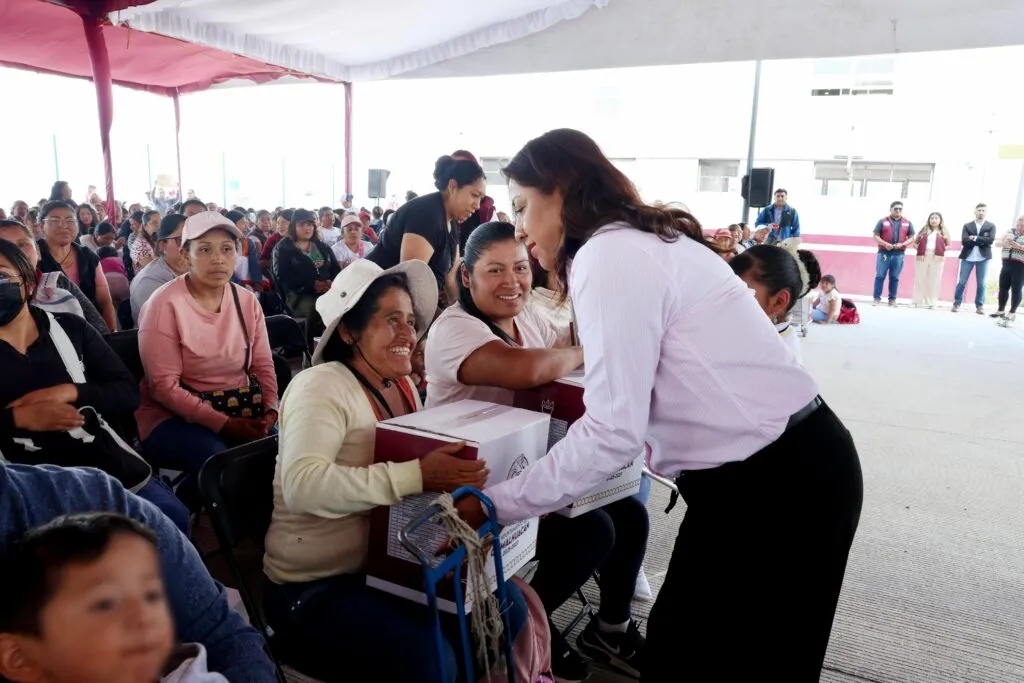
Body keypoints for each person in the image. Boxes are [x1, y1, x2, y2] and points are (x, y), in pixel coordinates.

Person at [456, 129, 863, 682]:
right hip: (784, 469)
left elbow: (611, 432)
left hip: (778, 484)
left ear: (561, 189)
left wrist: (496, 504)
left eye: (524, 207)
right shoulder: (634, 242)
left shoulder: (610, 253)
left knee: (712, 657)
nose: (521, 228)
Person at [262, 258, 525, 683]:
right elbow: (302, 487)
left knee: (507, 605)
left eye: (410, 320)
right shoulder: (321, 385)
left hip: (388, 566)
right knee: (435, 661)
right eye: (391, 320)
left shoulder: (399, 384)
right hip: (313, 586)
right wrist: (420, 476)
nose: (408, 333)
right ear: (349, 332)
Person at [425, 221, 646, 681]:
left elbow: (563, 348)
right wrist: (584, 351)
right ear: (466, 276)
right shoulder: (454, 328)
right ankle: (522, 628)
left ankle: (609, 627)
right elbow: (526, 369)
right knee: (593, 532)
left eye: (522, 269)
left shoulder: (528, 316)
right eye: (495, 270)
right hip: (468, 485)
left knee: (631, 516)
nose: (512, 282)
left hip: (527, 466)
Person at [0, 462, 277, 680]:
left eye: (152, 596)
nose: (146, 620)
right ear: (18, 658)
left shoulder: (92, 500)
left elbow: (224, 637)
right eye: (104, 604)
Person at [0, 240, 188, 531]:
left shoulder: (71, 329)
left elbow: (127, 393)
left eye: (1, 276)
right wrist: (16, 419)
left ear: (26, 283)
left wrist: (72, 391)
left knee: (169, 518)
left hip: (98, 460)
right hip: (23, 479)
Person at [137, 211, 278, 501]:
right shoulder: (164, 304)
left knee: (284, 449)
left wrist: (270, 410)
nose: (218, 258)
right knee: (222, 461)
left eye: (227, 249)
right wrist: (225, 425)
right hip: (170, 417)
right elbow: (163, 388)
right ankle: (188, 501)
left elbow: (263, 364)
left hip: (237, 405)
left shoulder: (246, 301)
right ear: (186, 256)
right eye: (204, 250)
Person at [366, 155, 486, 304]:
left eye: (481, 198)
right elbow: (410, 284)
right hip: (373, 301)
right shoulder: (427, 215)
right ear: (453, 186)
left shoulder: (452, 221)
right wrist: (442, 320)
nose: (478, 205)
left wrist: (459, 312)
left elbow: (450, 278)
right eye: (475, 195)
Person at [0, 219, 109, 334]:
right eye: (3, 247)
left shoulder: (59, 283)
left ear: (38, 252)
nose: (14, 253)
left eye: (22, 244)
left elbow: (100, 331)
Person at [730, 243, 823, 365]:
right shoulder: (748, 330)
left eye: (741, 292)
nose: (728, 298)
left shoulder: (779, 362)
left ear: (779, 301)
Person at [36, 201, 117, 331]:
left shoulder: (87, 256)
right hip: (50, 333)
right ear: (41, 225)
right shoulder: (33, 257)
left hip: (92, 330)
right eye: (55, 220)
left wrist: (112, 334)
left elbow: (105, 301)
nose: (63, 226)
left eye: (69, 220)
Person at [272, 208, 340, 318]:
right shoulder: (283, 248)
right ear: (293, 227)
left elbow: (335, 269)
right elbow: (283, 276)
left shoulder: (321, 246)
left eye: (310, 224)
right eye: (302, 225)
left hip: (327, 290)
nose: (307, 228)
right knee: (319, 310)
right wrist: (312, 284)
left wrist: (331, 282)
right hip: (297, 294)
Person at [130, 214, 190, 325]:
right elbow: (170, 328)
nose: (192, 246)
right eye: (181, 240)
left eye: (196, 239)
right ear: (163, 245)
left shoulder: (195, 269)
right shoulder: (149, 282)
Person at [953, 203, 997, 314]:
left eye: (983, 211)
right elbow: (964, 240)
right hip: (968, 257)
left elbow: (990, 240)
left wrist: (975, 238)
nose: (981, 212)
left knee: (981, 283)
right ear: (975, 211)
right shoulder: (967, 226)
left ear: (986, 212)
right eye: (979, 210)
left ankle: (979, 306)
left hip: (983, 258)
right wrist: (982, 240)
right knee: (962, 281)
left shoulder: (991, 226)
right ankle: (956, 303)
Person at [872, 201, 915, 306]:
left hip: (898, 254)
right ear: (890, 209)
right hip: (884, 253)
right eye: (896, 208)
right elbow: (875, 236)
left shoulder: (907, 222)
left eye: (900, 209)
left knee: (895, 277)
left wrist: (903, 244)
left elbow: (912, 237)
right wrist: (885, 244)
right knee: (880, 276)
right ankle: (877, 298)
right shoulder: (882, 221)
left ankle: (892, 299)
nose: (898, 210)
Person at [912, 212, 951, 309]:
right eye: (932, 218)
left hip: (937, 258)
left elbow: (949, 245)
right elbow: (915, 243)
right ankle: (917, 301)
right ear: (929, 220)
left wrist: (942, 249)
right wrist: (920, 249)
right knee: (920, 279)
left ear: (940, 220)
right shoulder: (923, 231)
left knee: (935, 280)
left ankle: (932, 302)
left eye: (936, 218)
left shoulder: (944, 232)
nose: (933, 220)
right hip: (923, 257)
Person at [993, 216, 1024, 326]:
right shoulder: (1010, 232)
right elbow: (997, 243)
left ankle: (1012, 312)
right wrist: (1004, 243)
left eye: (1022, 225)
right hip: (1006, 263)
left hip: (1020, 266)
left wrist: (1016, 245)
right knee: (1003, 287)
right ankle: (1001, 310)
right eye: (1018, 225)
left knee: (1016, 289)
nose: (1019, 227)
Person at [225, 210, 264, 293]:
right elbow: (225, 269)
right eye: (242, 223)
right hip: (228, 284)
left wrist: (257, 282)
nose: (246, 227)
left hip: (248, 284)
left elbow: (254, 265)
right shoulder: (222, 244)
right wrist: (240, 285)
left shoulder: (247, 242)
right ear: (232, 224)